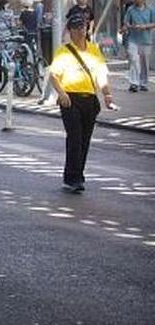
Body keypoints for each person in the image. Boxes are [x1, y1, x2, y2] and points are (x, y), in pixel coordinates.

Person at [49, 13, 117, 193]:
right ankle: (72, 178)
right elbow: (53, 76)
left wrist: (107, 95)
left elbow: (101, 74)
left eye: (82, 27)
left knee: (84, 140)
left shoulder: (94, 50)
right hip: (70, 99)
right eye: (76, 28)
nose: (80, 31)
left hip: (90, 100)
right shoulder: (63, 51)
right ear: (70, 31)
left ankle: (77, 175)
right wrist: (61, 93)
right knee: (75, 138)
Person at [121, 0, 154, 93]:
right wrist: (126, 27)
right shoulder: (130, 9)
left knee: (144, 63)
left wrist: (145, 26)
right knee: (134, 60)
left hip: (146, 40)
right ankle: (134, 83)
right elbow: (126, 22)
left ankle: (143, 83)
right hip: (133, 39)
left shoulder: (150, 10)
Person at [36, 0, 55, 65]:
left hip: (44, 31)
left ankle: (47, 66)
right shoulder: (53, 6)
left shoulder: (40, 6)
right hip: (52, 31)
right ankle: (50, 65)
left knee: (45, 51)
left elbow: (38, 20)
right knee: (51, 50)